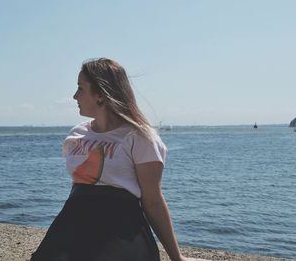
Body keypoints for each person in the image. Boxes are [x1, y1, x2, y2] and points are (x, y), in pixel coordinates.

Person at [31, 58, 187, 261]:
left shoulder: (140, 137)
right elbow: (79, 185)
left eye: (80, 88)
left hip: (121, 226)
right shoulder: (77, 134)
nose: (74, 96)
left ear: (100, 96)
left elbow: (153, 199)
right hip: (73, 221)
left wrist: (177, 257)